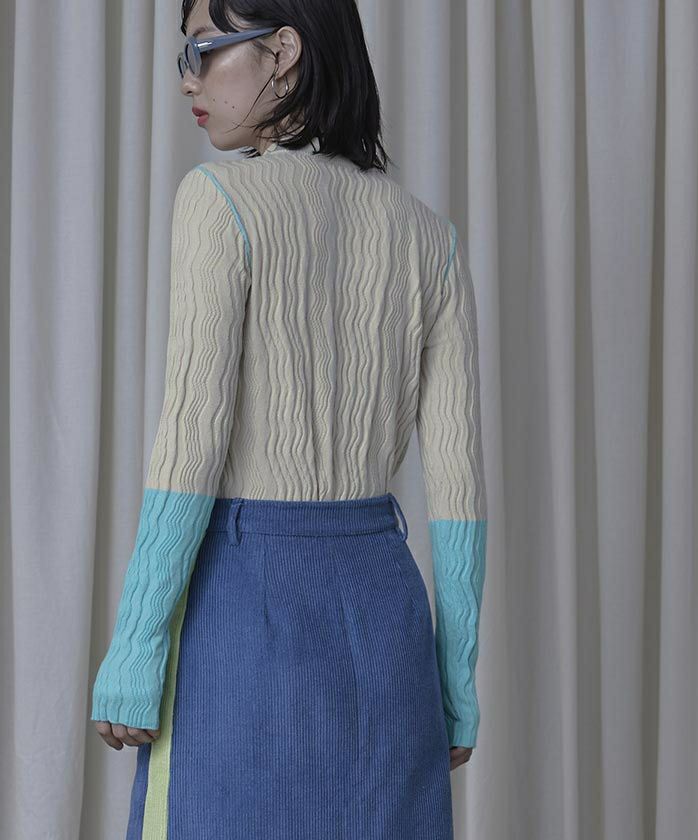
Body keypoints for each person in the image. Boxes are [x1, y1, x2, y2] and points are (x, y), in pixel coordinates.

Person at [90, 0, 488, 836]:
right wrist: (455, 681)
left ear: (283, 51)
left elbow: (192, 437)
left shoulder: (218, 201)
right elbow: (458, 486)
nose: (189, 80)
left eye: (205, 50)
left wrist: (135, 646)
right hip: (384, 623)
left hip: (246, 612)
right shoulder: (431, 239)